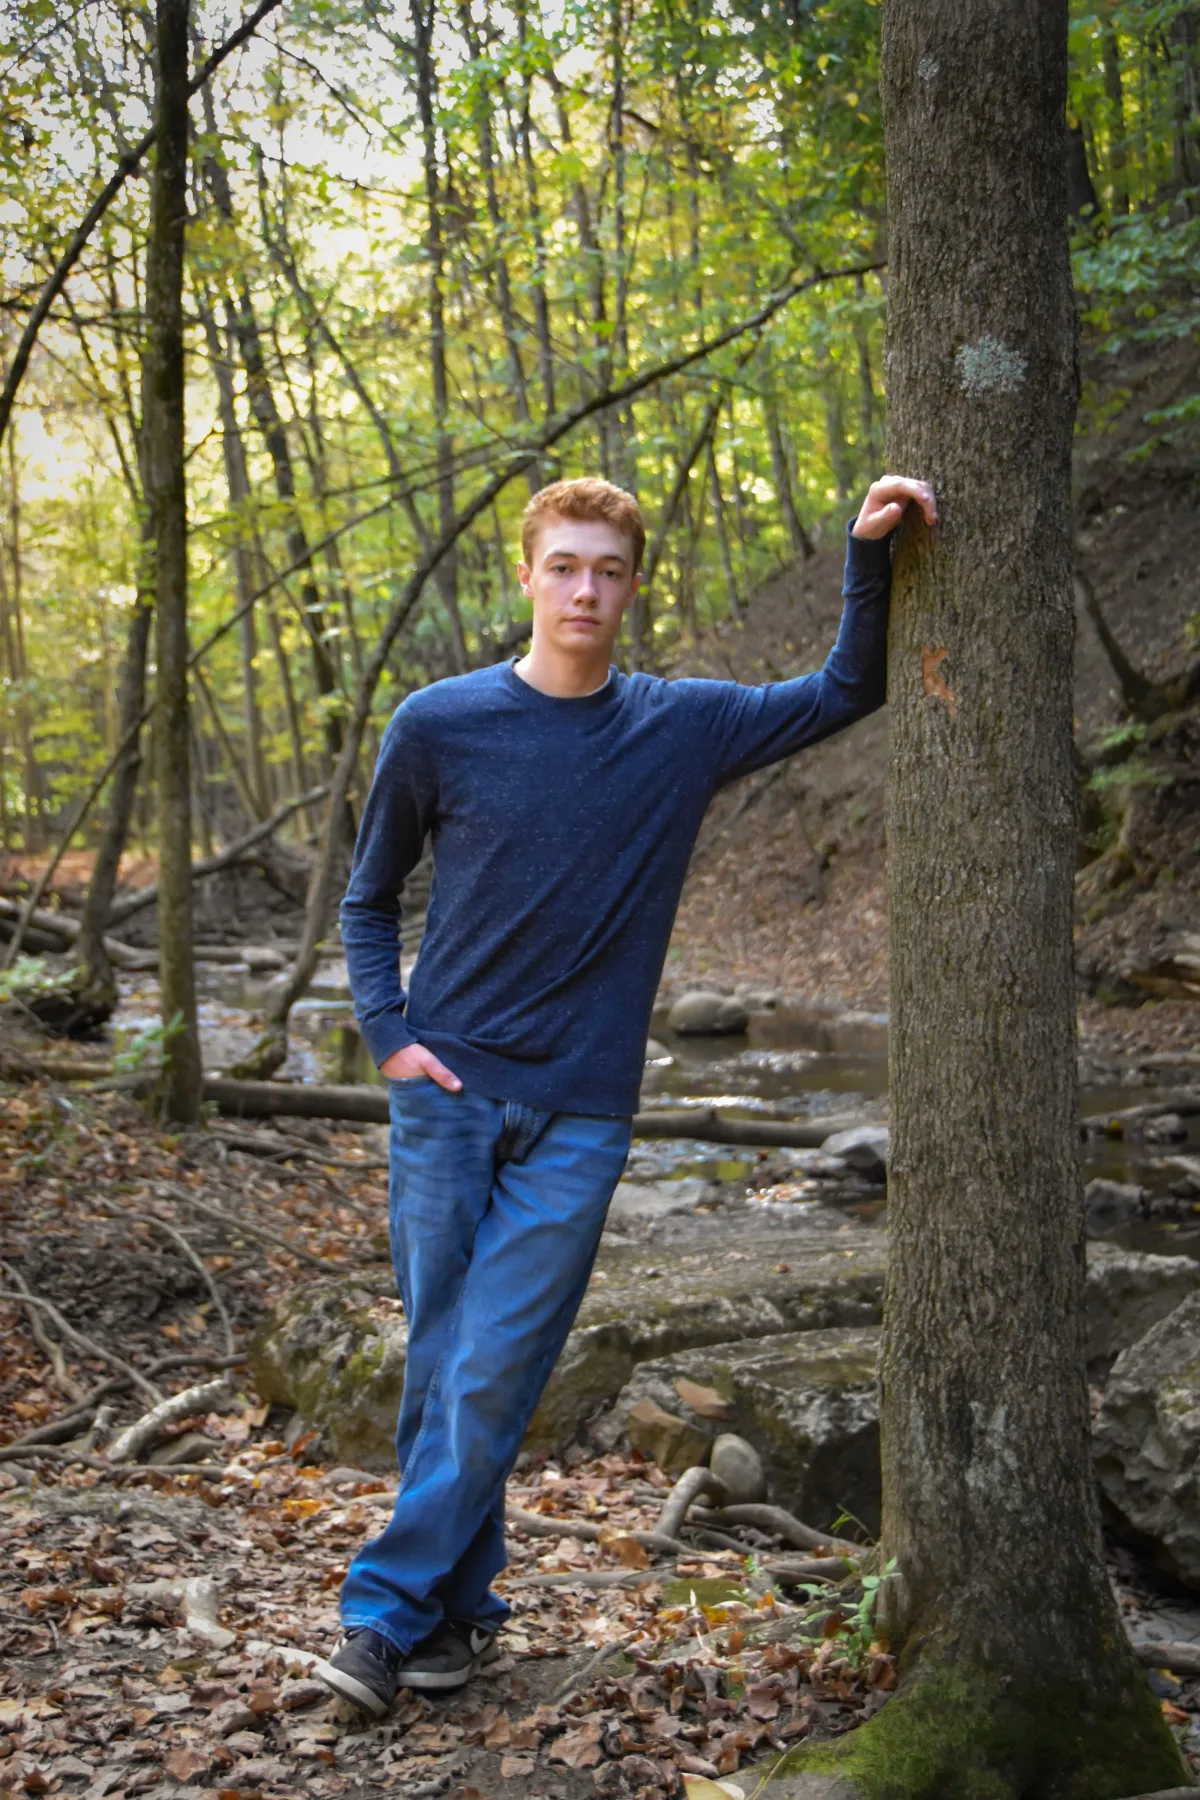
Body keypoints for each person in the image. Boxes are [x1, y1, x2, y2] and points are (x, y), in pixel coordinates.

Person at [316, 471, 937, 1717]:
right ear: (527, 573)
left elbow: (844, 692)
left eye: (609, 570)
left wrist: (867, 558)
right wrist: (388, 1036)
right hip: (445, 1094)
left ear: (633, 585)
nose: (586, 589)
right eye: (565, 566)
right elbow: (368, 897)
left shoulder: (678, 726)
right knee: (448, 1362)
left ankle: (380, 1620)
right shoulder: (437, 723)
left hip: (582, 1113)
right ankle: (458, 1611)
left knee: (495, 1366)